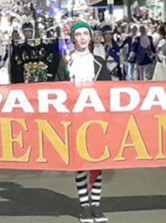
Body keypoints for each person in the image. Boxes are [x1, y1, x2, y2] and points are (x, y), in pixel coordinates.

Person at [61, 22, 110, 223]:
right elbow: (58, 90)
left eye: (85, 34)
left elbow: (108, 90)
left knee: (97, 162)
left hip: (96, 117)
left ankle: (96, 205)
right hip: (75, 117)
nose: (82, 38)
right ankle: (84, 205)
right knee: (80, 162)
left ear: (90, 37)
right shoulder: (65, 62)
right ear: (73, 38)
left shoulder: (99, 61)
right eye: (78, 34)